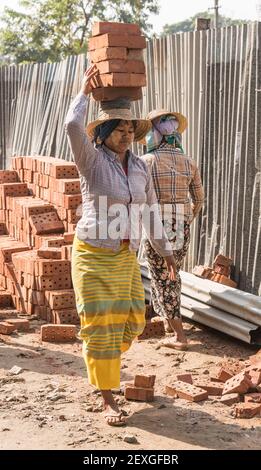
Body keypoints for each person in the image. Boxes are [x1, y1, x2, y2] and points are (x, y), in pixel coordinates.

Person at [64, 66, 176, 426]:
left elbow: (151, 212)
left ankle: (103, 367)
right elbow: (71, 127)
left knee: (133, 319)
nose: (127, 134)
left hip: (126, 257)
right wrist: (83, 92)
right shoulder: (92, 161)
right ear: (107, 132)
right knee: (100, 328)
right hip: (93, 256)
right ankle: (107, 397)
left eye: (131, 129)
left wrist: (166, 252)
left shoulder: (142, 168)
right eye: (120, 129)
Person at [141, 109, 204, 350]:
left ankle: (179, 336)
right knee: (171, 275)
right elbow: (199, 199)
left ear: (154, 134)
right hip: (181, 225)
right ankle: (171, 325)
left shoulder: (147, 162)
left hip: (157, 224)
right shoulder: (189, 162)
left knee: (163, 278)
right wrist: (186, 220)